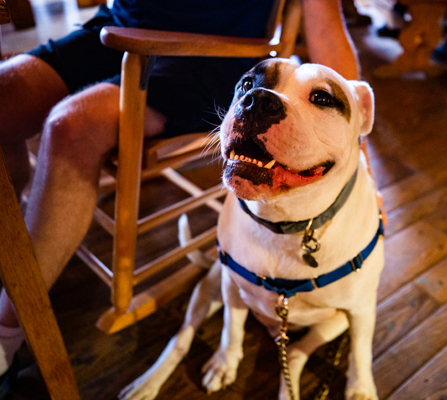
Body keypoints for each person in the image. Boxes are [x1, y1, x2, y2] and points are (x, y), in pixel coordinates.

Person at [0, 0, 360, 394]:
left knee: (68, 126)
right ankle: (19, 240)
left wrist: (354, 155)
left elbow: (327, 36)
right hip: (116, 26)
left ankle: (7, 331)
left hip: (202, 55)